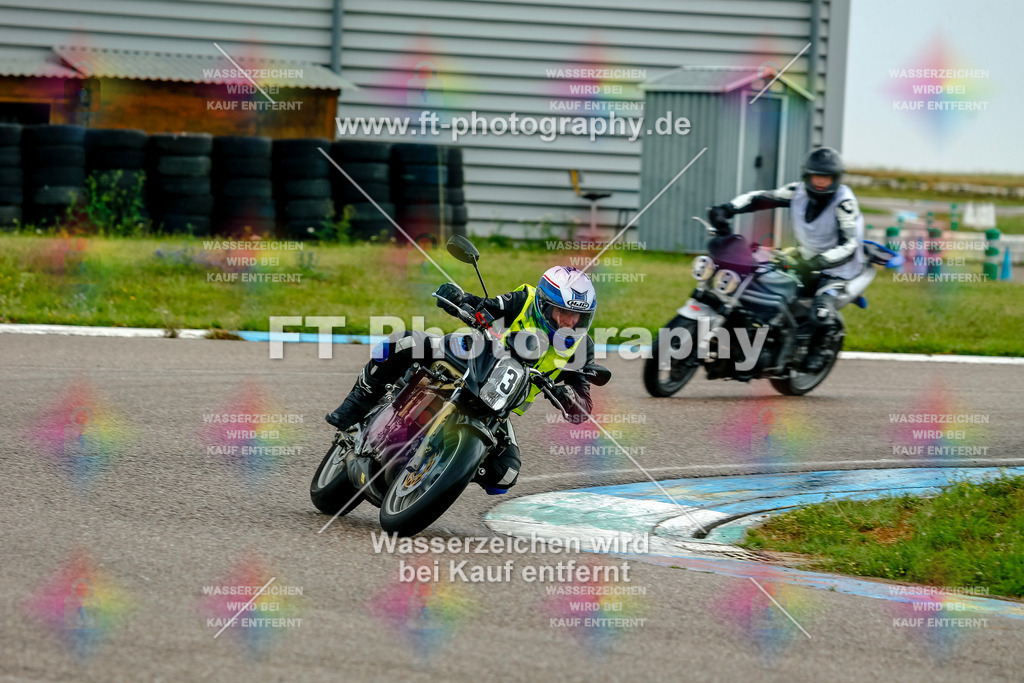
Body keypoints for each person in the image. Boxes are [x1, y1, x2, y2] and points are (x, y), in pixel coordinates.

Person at [325, 265, 599, 493]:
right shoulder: (523, 301)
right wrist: (460, 300)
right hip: (471, 359)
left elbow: (584, 401)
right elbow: (486, 306)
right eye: (563, 313)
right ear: (542, 304)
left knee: (504, 475)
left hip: (497, 405)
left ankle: (441, 468)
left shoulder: (581, 348)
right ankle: (357, 402)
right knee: (404, 342)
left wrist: (570, 399)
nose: (569, 323)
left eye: (578, 316)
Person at [707, 146, 864, 372]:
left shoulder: (844, 203)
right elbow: (759, 198)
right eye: (816, 177)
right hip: (806, 257)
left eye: (826, 178)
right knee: (760, 282)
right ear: (806, 176)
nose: (820, 183)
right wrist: (728, 209)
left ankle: (820, 347)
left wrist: (821, 262)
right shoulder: (797, 192)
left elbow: (850, 244)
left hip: (839, 269)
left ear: (836, 179)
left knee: (821, 310)